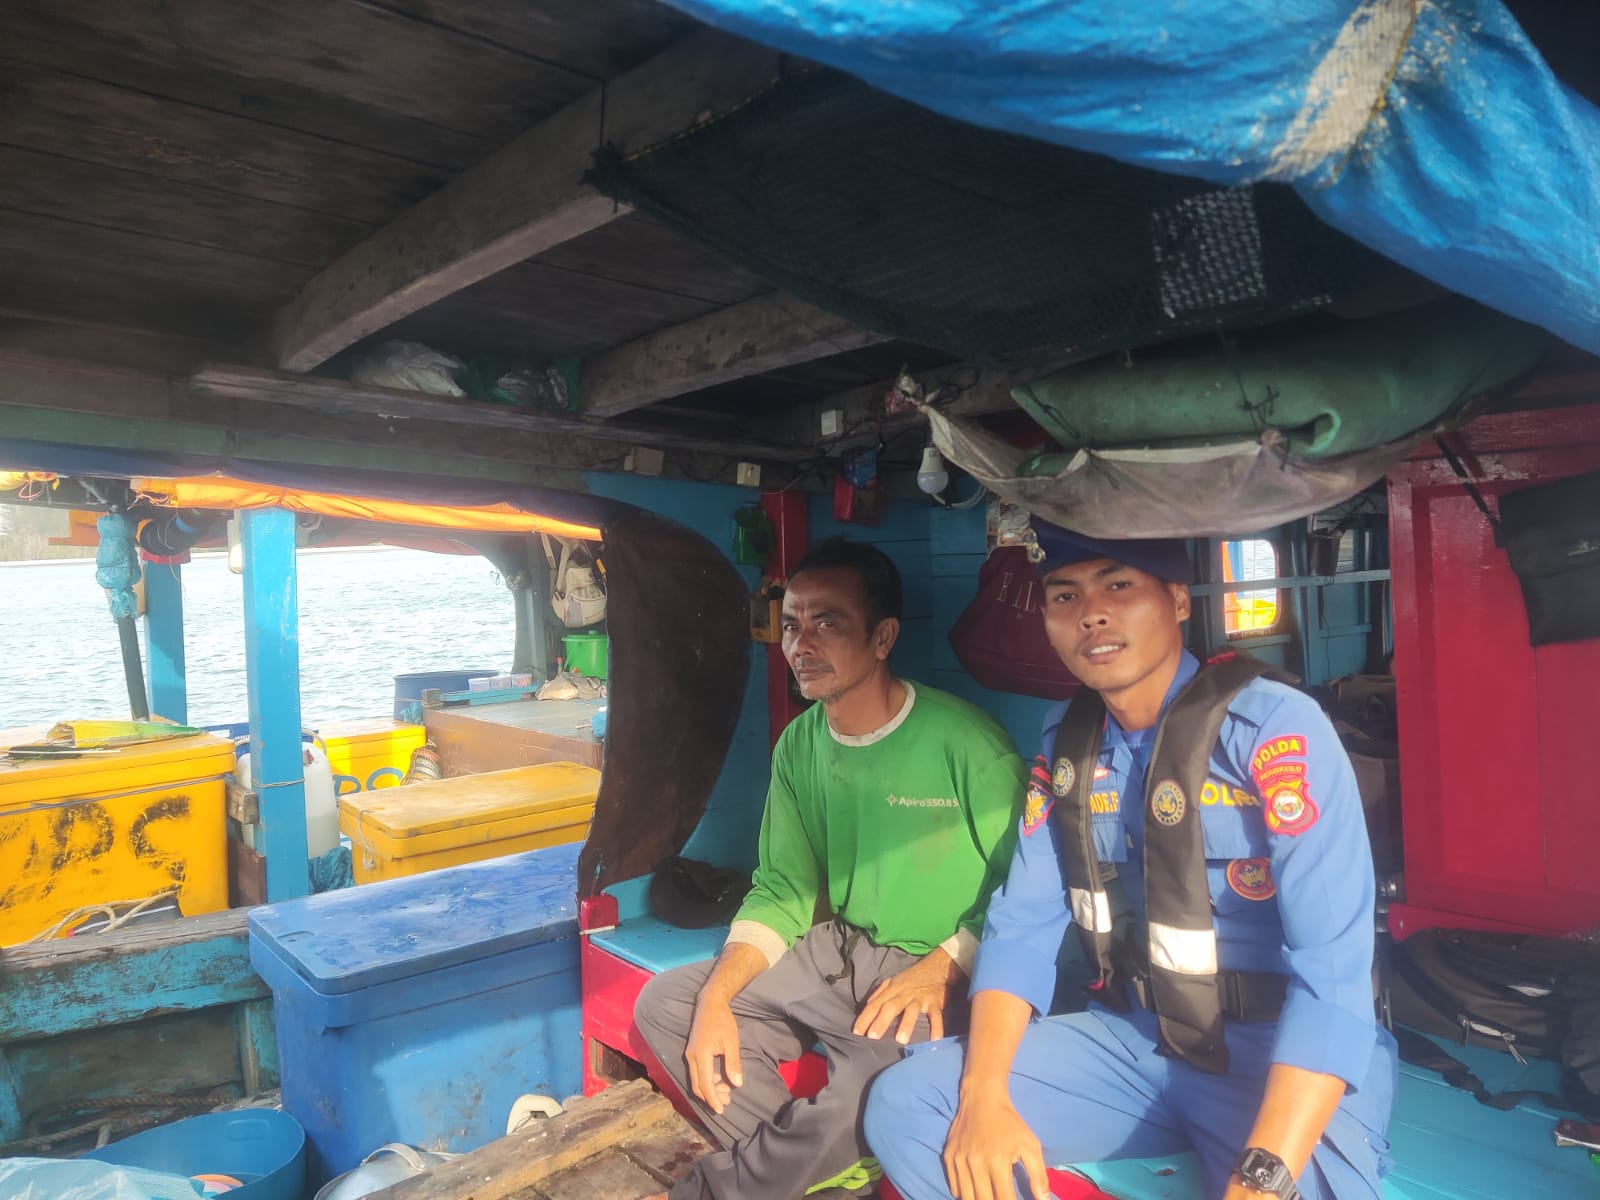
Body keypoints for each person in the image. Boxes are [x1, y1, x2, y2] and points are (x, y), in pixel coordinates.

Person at [864, 521, 1396, 1200]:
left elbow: (1333, 972)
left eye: (1118, 585)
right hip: (1132, 1042)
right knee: (909, 1105)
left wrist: (1264, 1177)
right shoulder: (1068, 743)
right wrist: (983, 1097)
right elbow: (1021, 927)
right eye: (1064, 596)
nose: (1091, 614)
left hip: (1278, 1055)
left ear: (1178, 600)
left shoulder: (1274, 729)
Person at [634, 538, 1026, 1200]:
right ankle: (827, 1181)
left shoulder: (968, 745)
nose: (801, 644)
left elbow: (1032, 892)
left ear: (883, 638)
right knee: (670, 1006)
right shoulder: (800, 744)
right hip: (838, 951)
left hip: (937, 971)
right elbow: (782, 889)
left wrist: (945, 963)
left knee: (878, 1093)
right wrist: (718, 996)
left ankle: (727, 1188)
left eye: (827, 623)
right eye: (791, 625)